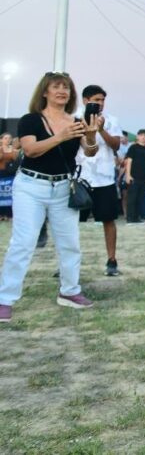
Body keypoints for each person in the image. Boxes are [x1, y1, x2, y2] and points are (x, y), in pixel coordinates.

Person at [0, 72, 100, 323]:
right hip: (30, 186)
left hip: (64, 187)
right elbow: (31, 150)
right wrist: (61, 136)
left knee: (70, 242)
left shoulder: (76, 122)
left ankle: (70, 291)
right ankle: (5, 298)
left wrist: (90, 135)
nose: (62, 91)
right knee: (23, 243)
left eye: (66, 87)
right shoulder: (31, 120)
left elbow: (90, 152)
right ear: (45, 92)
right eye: (56, 87)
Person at [75, 85, 124, 276]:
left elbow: (116, 145)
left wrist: (102, 130)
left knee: (108, 220)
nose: (100, 103)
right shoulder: (75, 118)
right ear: (85, 100)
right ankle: (67, 261)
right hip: (80, 177)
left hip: (104, 178)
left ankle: (112, 260)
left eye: (103, 100)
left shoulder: (111, 120)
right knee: (72, 222)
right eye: (96, 100)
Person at [124, 129, 145, 225]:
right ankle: (130, 219)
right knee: (132, 198)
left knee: (140, 199)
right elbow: (129, 162)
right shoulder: (133, 147)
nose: (144, 137)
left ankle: (137, 218)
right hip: (133, 177)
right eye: (141, 135)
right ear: (137, 136)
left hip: (144, 178)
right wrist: (128, 175)